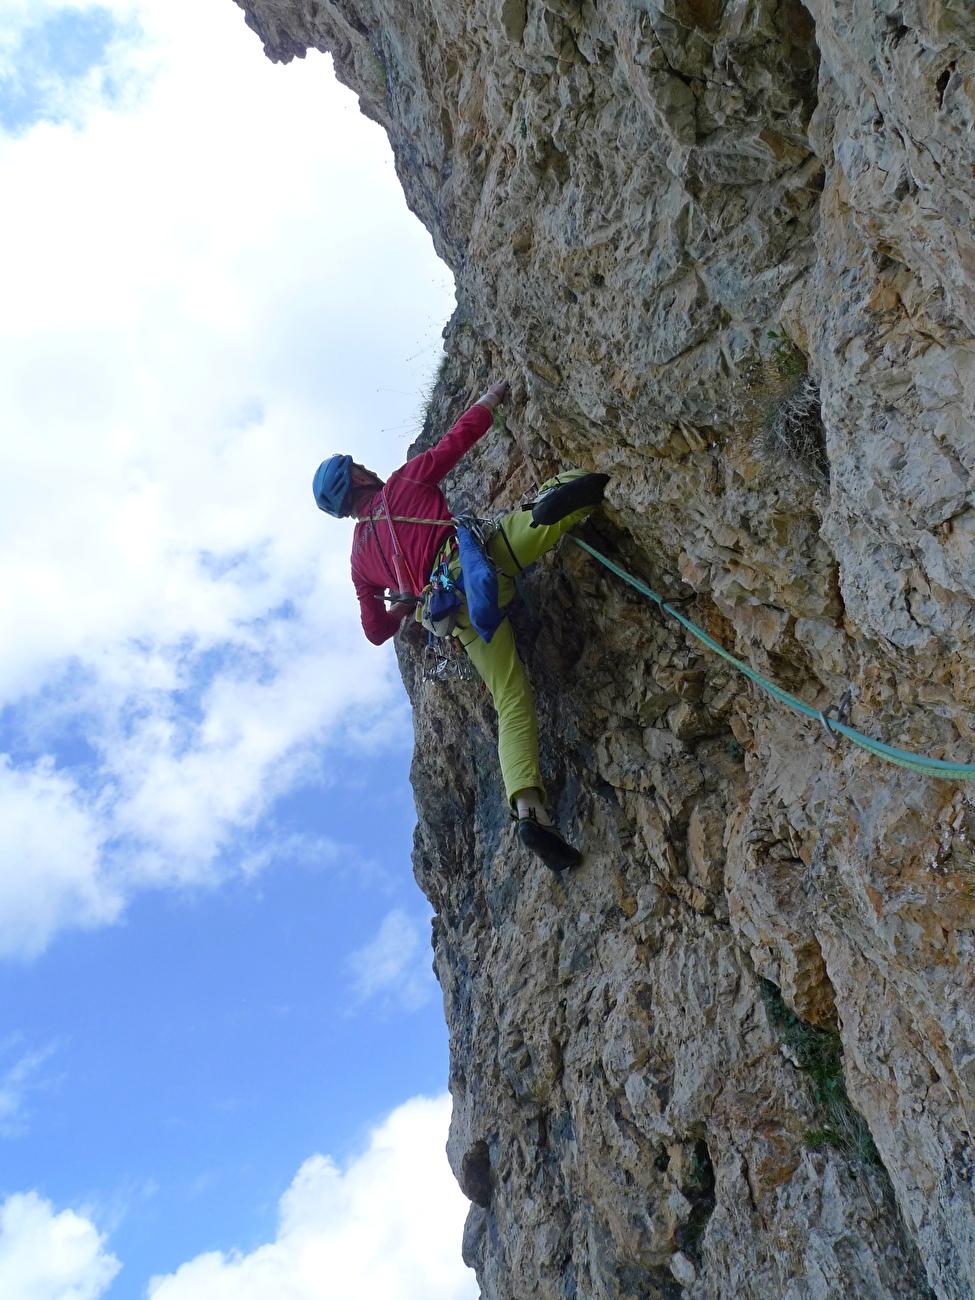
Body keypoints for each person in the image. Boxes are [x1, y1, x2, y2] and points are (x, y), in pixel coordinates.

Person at [312, 380, 608, 871]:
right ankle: (556, 505)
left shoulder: (360, 561)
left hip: (453, 611)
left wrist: (404, 605)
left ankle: (530, 809)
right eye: (360, 467)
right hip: (481, 559)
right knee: (547, 506)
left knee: (510, 696)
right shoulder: (404, 482)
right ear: (359, 476)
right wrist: (493, 395)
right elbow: (458, 439)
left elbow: (375, 631)